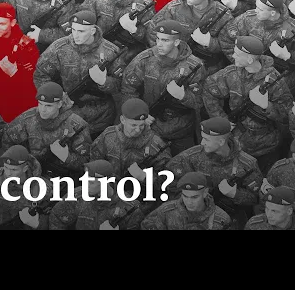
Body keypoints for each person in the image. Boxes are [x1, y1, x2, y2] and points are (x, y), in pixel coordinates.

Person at [202, 35, 294, 174]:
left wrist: (266, 106)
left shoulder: (274, 80)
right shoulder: (231, 73)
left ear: (250, 59)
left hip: (266, 146)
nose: (233, 56)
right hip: (237, 143)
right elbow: (209, 89)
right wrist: (221, 120)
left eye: (237, 54)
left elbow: (288, 115)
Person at [33, 10, 127, 138]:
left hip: (101, 114)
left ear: (93, 31)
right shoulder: (59, 48)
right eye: (73, 30)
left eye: (81, 31)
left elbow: (122, 84)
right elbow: (40, 74)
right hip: (70, 112)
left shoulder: (110, 51)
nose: (75, 35)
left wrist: (104, 81)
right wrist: (55, 96)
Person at [122, 19, 206, 155]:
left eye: (165, 40)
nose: (159, 44)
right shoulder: (145, 59)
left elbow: (201, 101)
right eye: (158, 39)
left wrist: (183, 96)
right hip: (149, 128)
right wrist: (139, 114)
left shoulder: (193, 66)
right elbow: (128, 88)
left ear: (176, 42)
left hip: (182, 130)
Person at [165, 117, 261, 228]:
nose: (202, 142)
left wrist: (235, 194)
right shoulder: (191, 157)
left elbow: (256, 198)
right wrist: (191, 201)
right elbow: (171, 182)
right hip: (193, 216)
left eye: (207, 139)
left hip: (231, 217)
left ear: (221, 142)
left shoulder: (247, 164)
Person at [146, 0, 233, 76]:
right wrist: (165, 54)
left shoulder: (222, 15)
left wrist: (209, 42)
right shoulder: (174, 8)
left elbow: (229, 45)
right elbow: (153, 30)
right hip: (175, 61)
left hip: (208, 66)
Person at [2, 82, 91, 179]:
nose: (43, 110)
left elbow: (86, 163)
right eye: (40, 104)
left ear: (59, 104)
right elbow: (7, 140)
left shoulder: (76, 125)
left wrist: (66, 157)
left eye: (48, 106)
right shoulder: (28, 119)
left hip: (63, 178)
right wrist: (21, 162)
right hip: (30, 173)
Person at [90, 98, 171, 199]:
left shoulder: (156, 145)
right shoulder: (108, 136)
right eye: (133, 125)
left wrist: (144, 177)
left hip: (139, 198)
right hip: (108, 192)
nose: (137, 130)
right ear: (122, 120)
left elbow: (167, 180)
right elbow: (94, 161)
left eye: (141, 125)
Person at [81, 0, 155, 64]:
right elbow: (82, 19)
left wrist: (134, 30)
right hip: (98, 47)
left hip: (127, 54)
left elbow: (152, 39)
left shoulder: (144, 4)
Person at [0, 145, 53, 230]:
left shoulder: (42, 188)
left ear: (25, 168)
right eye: (6, 167)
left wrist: (36, 224)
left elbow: (51, 218)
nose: (8, 173)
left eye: (14, 170)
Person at [48, 159, 145, 230]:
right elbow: (56, 219)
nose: (86, 186)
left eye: (91, 182)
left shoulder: (130, 209)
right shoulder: (78, 196)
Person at [140, 171, 232, 230]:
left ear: (205, 193)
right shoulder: (166, 211)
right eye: (185, 196)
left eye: (194, 197)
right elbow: (146, 225)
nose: (189, 202)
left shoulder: (221, 219)